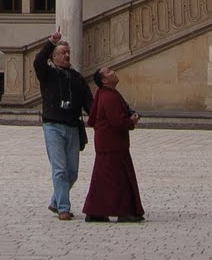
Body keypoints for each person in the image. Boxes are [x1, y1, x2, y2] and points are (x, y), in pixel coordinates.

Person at [33, 30, 92, 219]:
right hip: (53, 126)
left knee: (72, 172)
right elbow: (38, 61)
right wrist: (51, 41)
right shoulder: (47, 74)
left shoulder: (77, 78)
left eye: (68, 52)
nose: (66, 55)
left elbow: (89, 103)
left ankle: (55, 202)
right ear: (54, 57)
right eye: (62, 53)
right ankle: (64, 209)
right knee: (60, 169)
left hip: (73, 127)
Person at [83, 64, 144, 222]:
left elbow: (94, 118)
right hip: (112, 144)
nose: (113, 72)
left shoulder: (103, 93)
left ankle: (96, 211)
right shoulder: (109, 97)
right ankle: (123, 211)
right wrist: (131, 121)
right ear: (104, 80)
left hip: (106, 143)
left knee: (102, 179)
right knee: (119, 179)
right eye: (109, 72)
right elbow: (117, 122)